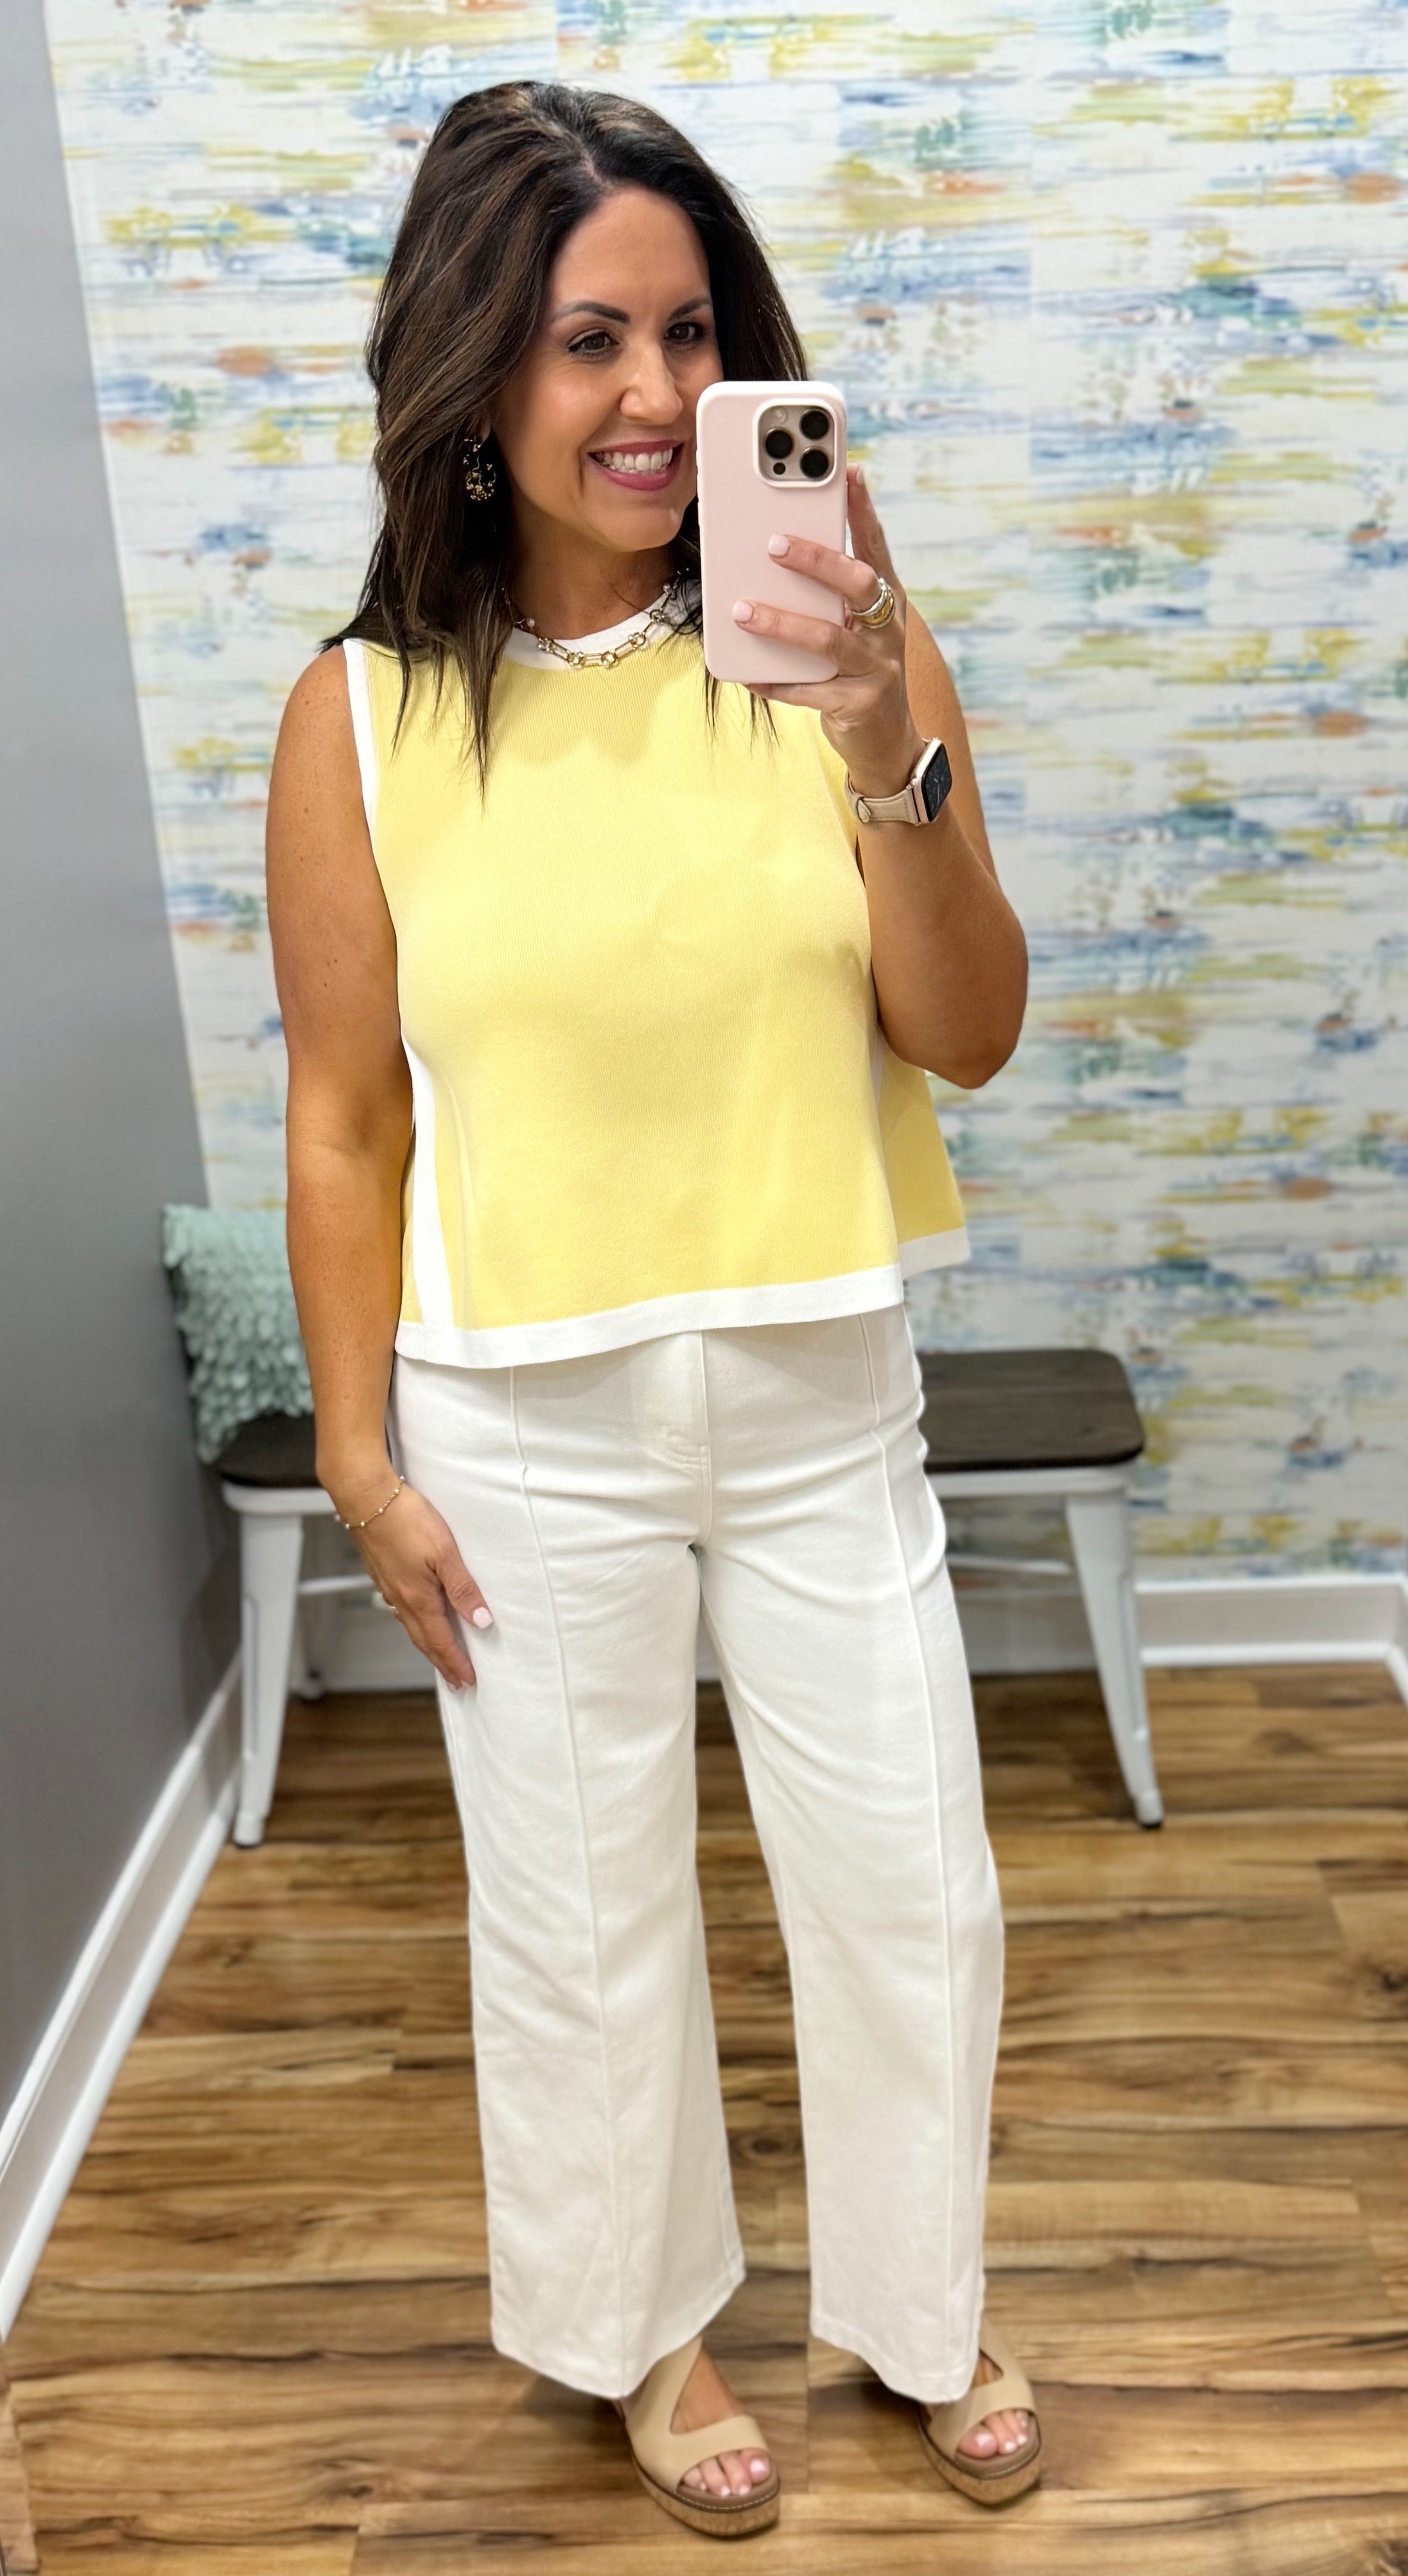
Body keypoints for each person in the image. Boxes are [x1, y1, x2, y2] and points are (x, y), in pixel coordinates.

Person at [266, 79, 1035, 2538]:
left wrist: (885, 741)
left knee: (916, 1895)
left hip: (822, 1388)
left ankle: (922, 2306)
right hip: (524, 1421)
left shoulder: (841, 655)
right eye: (586, 337)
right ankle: (640, 2332)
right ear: (472, 366)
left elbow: (968, 1031)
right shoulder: (364, 720)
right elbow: (345, 1122)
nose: (650, 394)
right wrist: (361, 1456)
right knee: (582, 1929)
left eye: (691, 335)